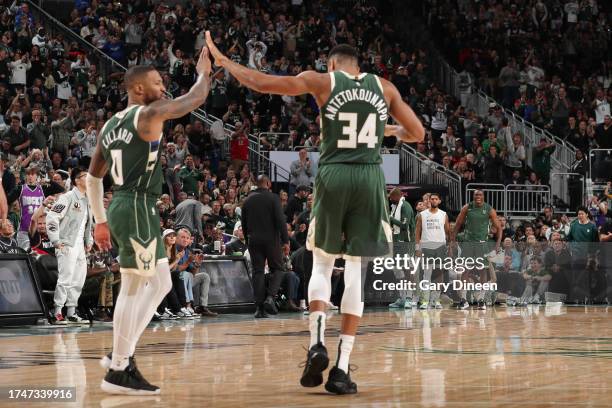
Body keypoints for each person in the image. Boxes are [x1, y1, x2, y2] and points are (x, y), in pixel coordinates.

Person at [205, 34, 424, 394]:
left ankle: (317, 342)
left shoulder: (323, 81)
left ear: (333, 65)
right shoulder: (384, 87)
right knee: (356, 271)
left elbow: (263, 82)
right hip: (370, 179)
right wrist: (387, 130)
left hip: (335, 174)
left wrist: (225, 62)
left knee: (322, 265)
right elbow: (416, 132)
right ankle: (341, 368)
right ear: (360, 66)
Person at [87, 45, 212, 395]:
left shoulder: (110, 124)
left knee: (161, 283)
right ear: (139, 89)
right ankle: (118, 369)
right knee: (132, 286)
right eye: (158, 82)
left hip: (128, 205)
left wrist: (100, 218)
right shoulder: (148, 112)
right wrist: (204, 71)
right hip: (138, 204)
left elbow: (94, 177)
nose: (163, 88)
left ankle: (120, 351)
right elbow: (195, 98)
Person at [46, 167, 92, 324]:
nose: (89, 179)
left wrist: (89, 241)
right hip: (66, 243)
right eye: (85, 176)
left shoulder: (87, 199)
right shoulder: (67, 197)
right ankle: (58, 311)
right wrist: (56, 240)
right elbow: (52, 217)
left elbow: (87, 224)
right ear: (76, 180)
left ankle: (71, 311)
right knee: (66, 278)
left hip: (79, 245)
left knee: (78, 278)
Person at [241, 175, 289, 318]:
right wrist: (286, 240)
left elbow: (243, 223)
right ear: (268, 183)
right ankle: (270, 297)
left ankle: (259, 309)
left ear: (256, 183)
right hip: (271, 240)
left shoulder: (247, 199)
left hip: (253, 240)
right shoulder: (273, 198)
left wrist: (247, 239)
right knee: (279, 268)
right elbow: (281, 221)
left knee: (258, 272)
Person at [452, 190, 501, 310]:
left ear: (483, 197)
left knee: (483, 271)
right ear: (473, 197)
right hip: (468, 243)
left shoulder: (489, 209)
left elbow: (499, 228)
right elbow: (458, 224)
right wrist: (452, 240)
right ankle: (463, 299)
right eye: (476, 195)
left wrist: (497, 245)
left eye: (480, 195)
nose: (478, 197)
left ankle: (481, 299)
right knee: (465, 271)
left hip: (482, 244)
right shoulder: (467, 207)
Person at [415, 193, 450, 309]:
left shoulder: (443, 214)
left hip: (440, 247)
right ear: (429, 201)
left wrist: (449, 246)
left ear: (439, 201)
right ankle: (425, 300)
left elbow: (448, 232)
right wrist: (418, 247)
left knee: (439, 274)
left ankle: (436, 300)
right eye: (432, 199)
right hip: (426, 247)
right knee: (426, 274)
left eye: (436, 199)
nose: (434, 200)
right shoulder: (422, 215)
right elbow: (417, 232)